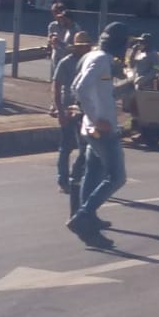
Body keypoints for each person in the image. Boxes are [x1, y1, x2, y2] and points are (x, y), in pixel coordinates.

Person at [66, 22, 131, 236]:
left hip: (92, 129)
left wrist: (120, 89)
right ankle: (83, 215)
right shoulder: (102, 60)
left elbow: (97, 88)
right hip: (101, 129)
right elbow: (80, 87)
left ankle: (89, 217)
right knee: (117, 177)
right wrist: (95, 118)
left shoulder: (95, 57)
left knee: (93, 172)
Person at [52, 30, 93, 198]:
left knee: (84, 147)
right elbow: (56, 87)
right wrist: (60, 111)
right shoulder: (65, 62)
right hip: (69, 109)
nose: (86, 49)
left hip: (84, 109)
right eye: (83, 47)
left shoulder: (89, 63)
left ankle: (76, 175)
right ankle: (63, 180)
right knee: (66, 147)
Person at [46, 3, 78, 73]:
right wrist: (51, 41)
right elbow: (50, 41)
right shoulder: (53, 26)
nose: (55, 16)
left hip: (69, 59)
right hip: (57, 55)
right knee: (56, 77)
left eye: (63, 18)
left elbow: (71, 47)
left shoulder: (74, 30)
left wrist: (58, 41)